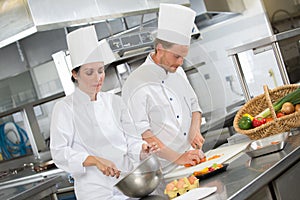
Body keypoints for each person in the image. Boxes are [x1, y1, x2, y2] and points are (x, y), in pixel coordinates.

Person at [50, 26, 159, 200]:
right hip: (95, 192)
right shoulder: (64, 108)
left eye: (100, 71)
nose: (98, 77)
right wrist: (94, 160)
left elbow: (131, 139)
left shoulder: (114, 101)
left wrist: (142, 149)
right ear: (75, 74)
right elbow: (59, 153)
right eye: (89, 72)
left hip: (128, 187)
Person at [122, 3, 205, 174]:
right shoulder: (135, 83)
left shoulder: (179, 72)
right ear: (160, 49)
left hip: (194, 159)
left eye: (183, 57)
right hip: (167, 171)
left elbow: (195, 107)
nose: (180, 62)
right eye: (176, 56)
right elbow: (144, 134)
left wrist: (194, 131)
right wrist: (178, 158)